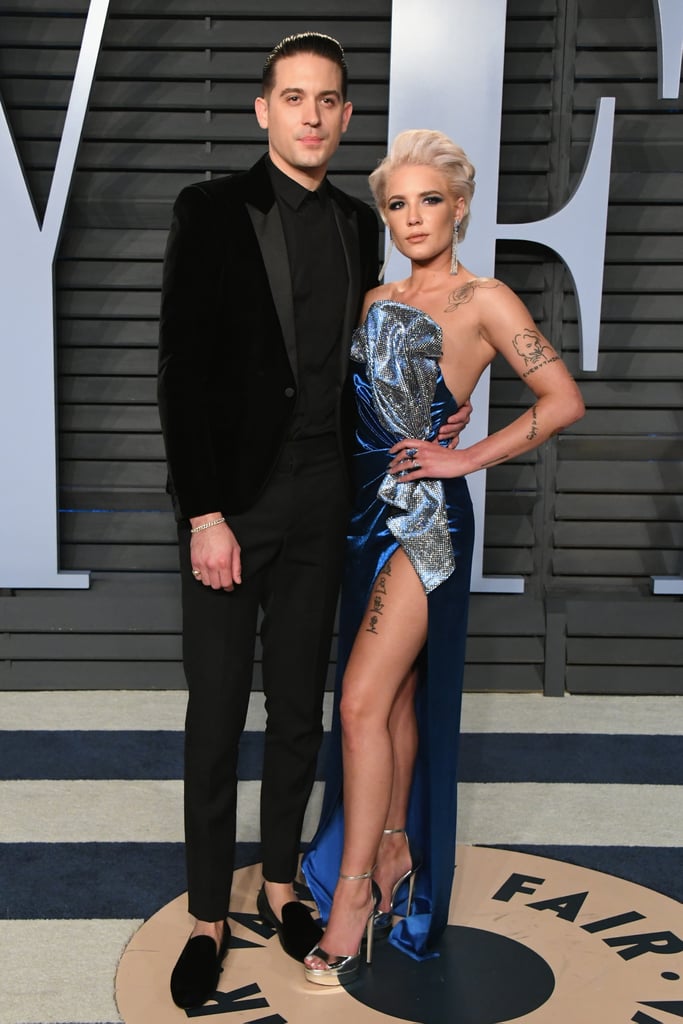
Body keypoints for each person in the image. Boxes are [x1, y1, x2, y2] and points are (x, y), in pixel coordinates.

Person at [157, 37, 469, 1009]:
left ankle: (284, 885)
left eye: (327, 101)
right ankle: (210, 912)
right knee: (215, 713)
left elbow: (368, 361)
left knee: (298, 711)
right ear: (263, 110)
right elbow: (180, 373)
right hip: (233, 508)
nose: (309, 115)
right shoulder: (208, 212)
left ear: (343, 117)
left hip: (326, 499)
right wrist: (204, 512)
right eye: (292, 97)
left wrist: (436, 411)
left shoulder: (353, 223)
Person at [302, 129, 585, 985]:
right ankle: (391, 851)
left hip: (423, 524)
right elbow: (369, 405)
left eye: (430, 199)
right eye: (397, 203)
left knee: (356, 704)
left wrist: (463, 454)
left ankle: (351, 898)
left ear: (460, 206)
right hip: (360, 518)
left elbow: (561, 398)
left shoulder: (485, 299)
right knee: (389, 704)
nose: (413, 216)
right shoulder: (376, 296)